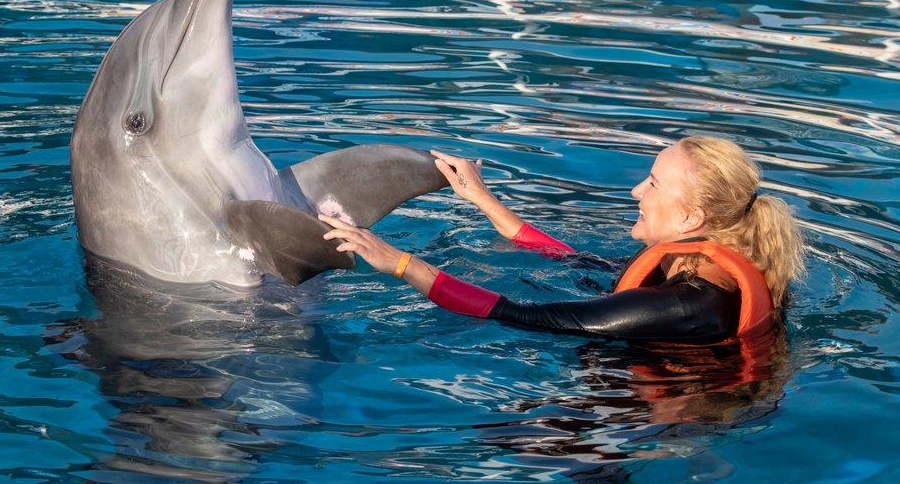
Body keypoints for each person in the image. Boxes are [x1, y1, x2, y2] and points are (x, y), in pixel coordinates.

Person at [318, 136, 805, 345]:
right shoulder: (698, 264)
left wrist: (401, 263)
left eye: (653, 183)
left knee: (514, 443)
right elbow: (577, 262)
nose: (636, 190)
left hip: (650, 423)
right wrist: (483, 201)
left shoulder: (683, 304)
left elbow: (526, 316)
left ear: (691, 216)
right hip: (671, 400)